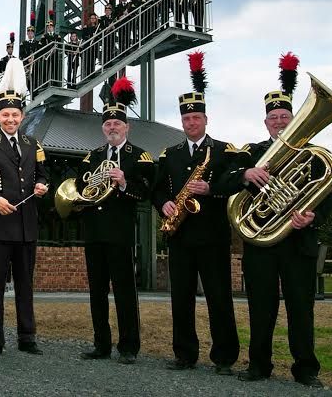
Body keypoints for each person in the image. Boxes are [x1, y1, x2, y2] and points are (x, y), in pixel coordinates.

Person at [230, 53, 331, 388]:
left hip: (298, 242)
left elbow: (329, 198)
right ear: (265, 122)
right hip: (261, 246)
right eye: (273, 117)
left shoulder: (314, 157)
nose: (279, 121)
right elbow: (223, 181)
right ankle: (259, 365)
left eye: (284, 115)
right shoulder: (250, 153)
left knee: (301, 309)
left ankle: (305, 369)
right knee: (261, 307)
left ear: (294, 117)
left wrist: (313, 216)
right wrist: (245, 173)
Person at [153, 51, 246, 375]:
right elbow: (157, 188)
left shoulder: (223, 150)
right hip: (180, 237)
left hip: (213, 237)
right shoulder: (171, 153)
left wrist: (212, 189)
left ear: (205, 119)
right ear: (182, 121)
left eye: (196, 118)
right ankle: (184, 354)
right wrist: (163, 203)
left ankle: (224, 358)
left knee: (220, 298)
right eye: (186, 119)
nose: (191, 123)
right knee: (181, 300)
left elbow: (238, 181)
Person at [0, 59, 48, 356]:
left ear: (22, 115)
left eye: (15, 114)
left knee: (25, 286)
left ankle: (27, 338)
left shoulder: (33, 144)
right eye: (5, 114)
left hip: (27, 226)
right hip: (0, 225)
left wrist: (43, 186)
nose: (10, 119)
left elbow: (43, 174)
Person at [77, 78, 154, 364]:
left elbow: (145, 192)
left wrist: (123, 182)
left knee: (124, 292)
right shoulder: (92, 156)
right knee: (97, 292)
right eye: (108, 124)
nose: (112, 127)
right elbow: (79, 187)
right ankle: (101, 344)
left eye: (117, 124)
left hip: (120, 234)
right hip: (95, 233)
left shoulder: (140, 157)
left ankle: (129, 347)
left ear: (126, 127)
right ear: (103, 128)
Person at [81, 12, 100, 79]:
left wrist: (96, 36)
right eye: (91, 18)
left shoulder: (97, 27)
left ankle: (92, 74)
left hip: (94, 46)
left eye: (94, 18)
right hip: (87, 46)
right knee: (87, 60)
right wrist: (89, 37)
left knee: (92, 60)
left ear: (95, 19)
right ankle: (87, 74)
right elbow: (83, 36)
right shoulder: (86, 27)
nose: (92, 19)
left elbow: (100, 36)